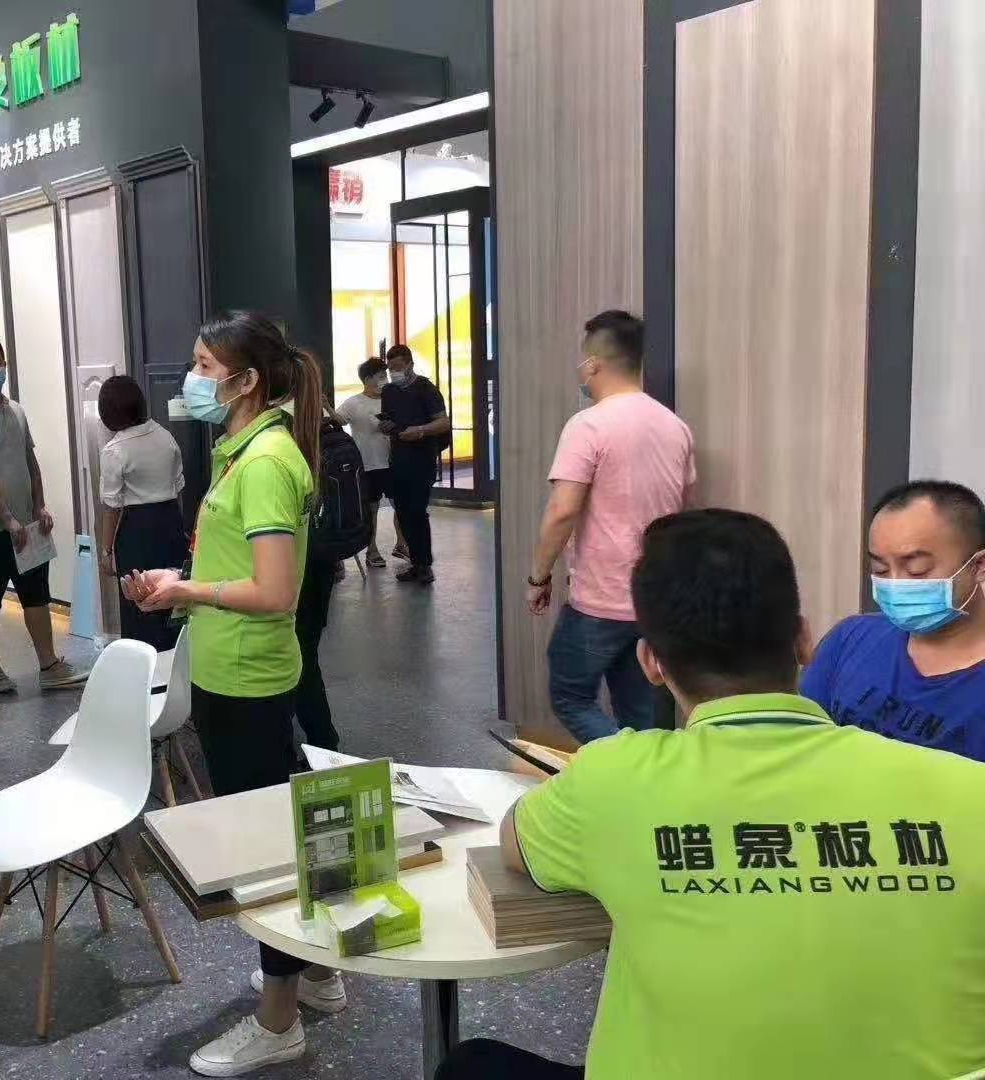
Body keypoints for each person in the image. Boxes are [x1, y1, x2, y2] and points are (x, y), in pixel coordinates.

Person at [437, 508, 985, 1080]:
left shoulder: (611, 779)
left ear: (650, 662)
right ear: (804, 640)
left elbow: (515, 845)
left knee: (471, 1066)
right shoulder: (970, 791)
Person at [122, 311, 344, 1076]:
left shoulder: (265, 462)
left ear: (246, 381)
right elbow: (239, 567)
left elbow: (275, 592)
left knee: (264, 853)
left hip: (247, 679)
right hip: (228, 668)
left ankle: (279, 1022)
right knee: (277, 831)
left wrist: (187, 589)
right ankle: (315, 976)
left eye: (204, 366)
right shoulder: (242, 450)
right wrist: (181, 585)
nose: (191, 379)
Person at [527, 310, 694, 744]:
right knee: (641, 713)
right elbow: (681, 509)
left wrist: (539, 578)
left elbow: (562, 511)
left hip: (599, 600)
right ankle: (644, 777)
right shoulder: (674, 427)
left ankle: (623, 765)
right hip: (652, 599)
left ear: (594, 364)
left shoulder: (589, 425)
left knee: (569, 696)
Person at [803, 479, 985, 761]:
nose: (896, 583)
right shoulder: (851, 638)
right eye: (880, 569)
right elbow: (801, 747)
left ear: (979, 566)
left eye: (917, 569)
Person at [0, 337, 89, 692]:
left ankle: (49, 665)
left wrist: (39, 506)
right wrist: (7, 519)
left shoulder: (16, 410)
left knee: (36, 594)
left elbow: (30, 460)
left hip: (26, 524)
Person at [96, 374, 188, 652]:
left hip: (136, 530)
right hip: (171, 521)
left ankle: (143, 662)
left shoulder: (114, 450)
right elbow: (178, 487)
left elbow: (112, 508)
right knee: (174, 595)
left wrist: (106, 551)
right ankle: (176, 660)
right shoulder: (165, 435)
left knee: (139, 599)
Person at [379, 344, 449, 584]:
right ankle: (415, 561)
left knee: (417, 512)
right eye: (390, 369)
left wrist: (419, 431)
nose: (394, 373)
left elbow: (443, 423)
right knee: (402, 512)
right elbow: (390, 420)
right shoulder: (389, 391)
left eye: (398, 367)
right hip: (398, 459)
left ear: (410, 364)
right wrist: (385, 426)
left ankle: (424, 564)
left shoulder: (426, 389)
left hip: (422, 461)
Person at [334, 357, 391, 568]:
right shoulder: (354, 402)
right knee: (371, 509)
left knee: (402, 507)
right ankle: (372, 550)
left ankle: (403, 546)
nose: (384, 380)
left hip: (393, 462)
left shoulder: (392, 399)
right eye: (380, 376)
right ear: (367, 379)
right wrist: (326, 407)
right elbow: (338, 420)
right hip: (368, 464)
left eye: (385, 376)